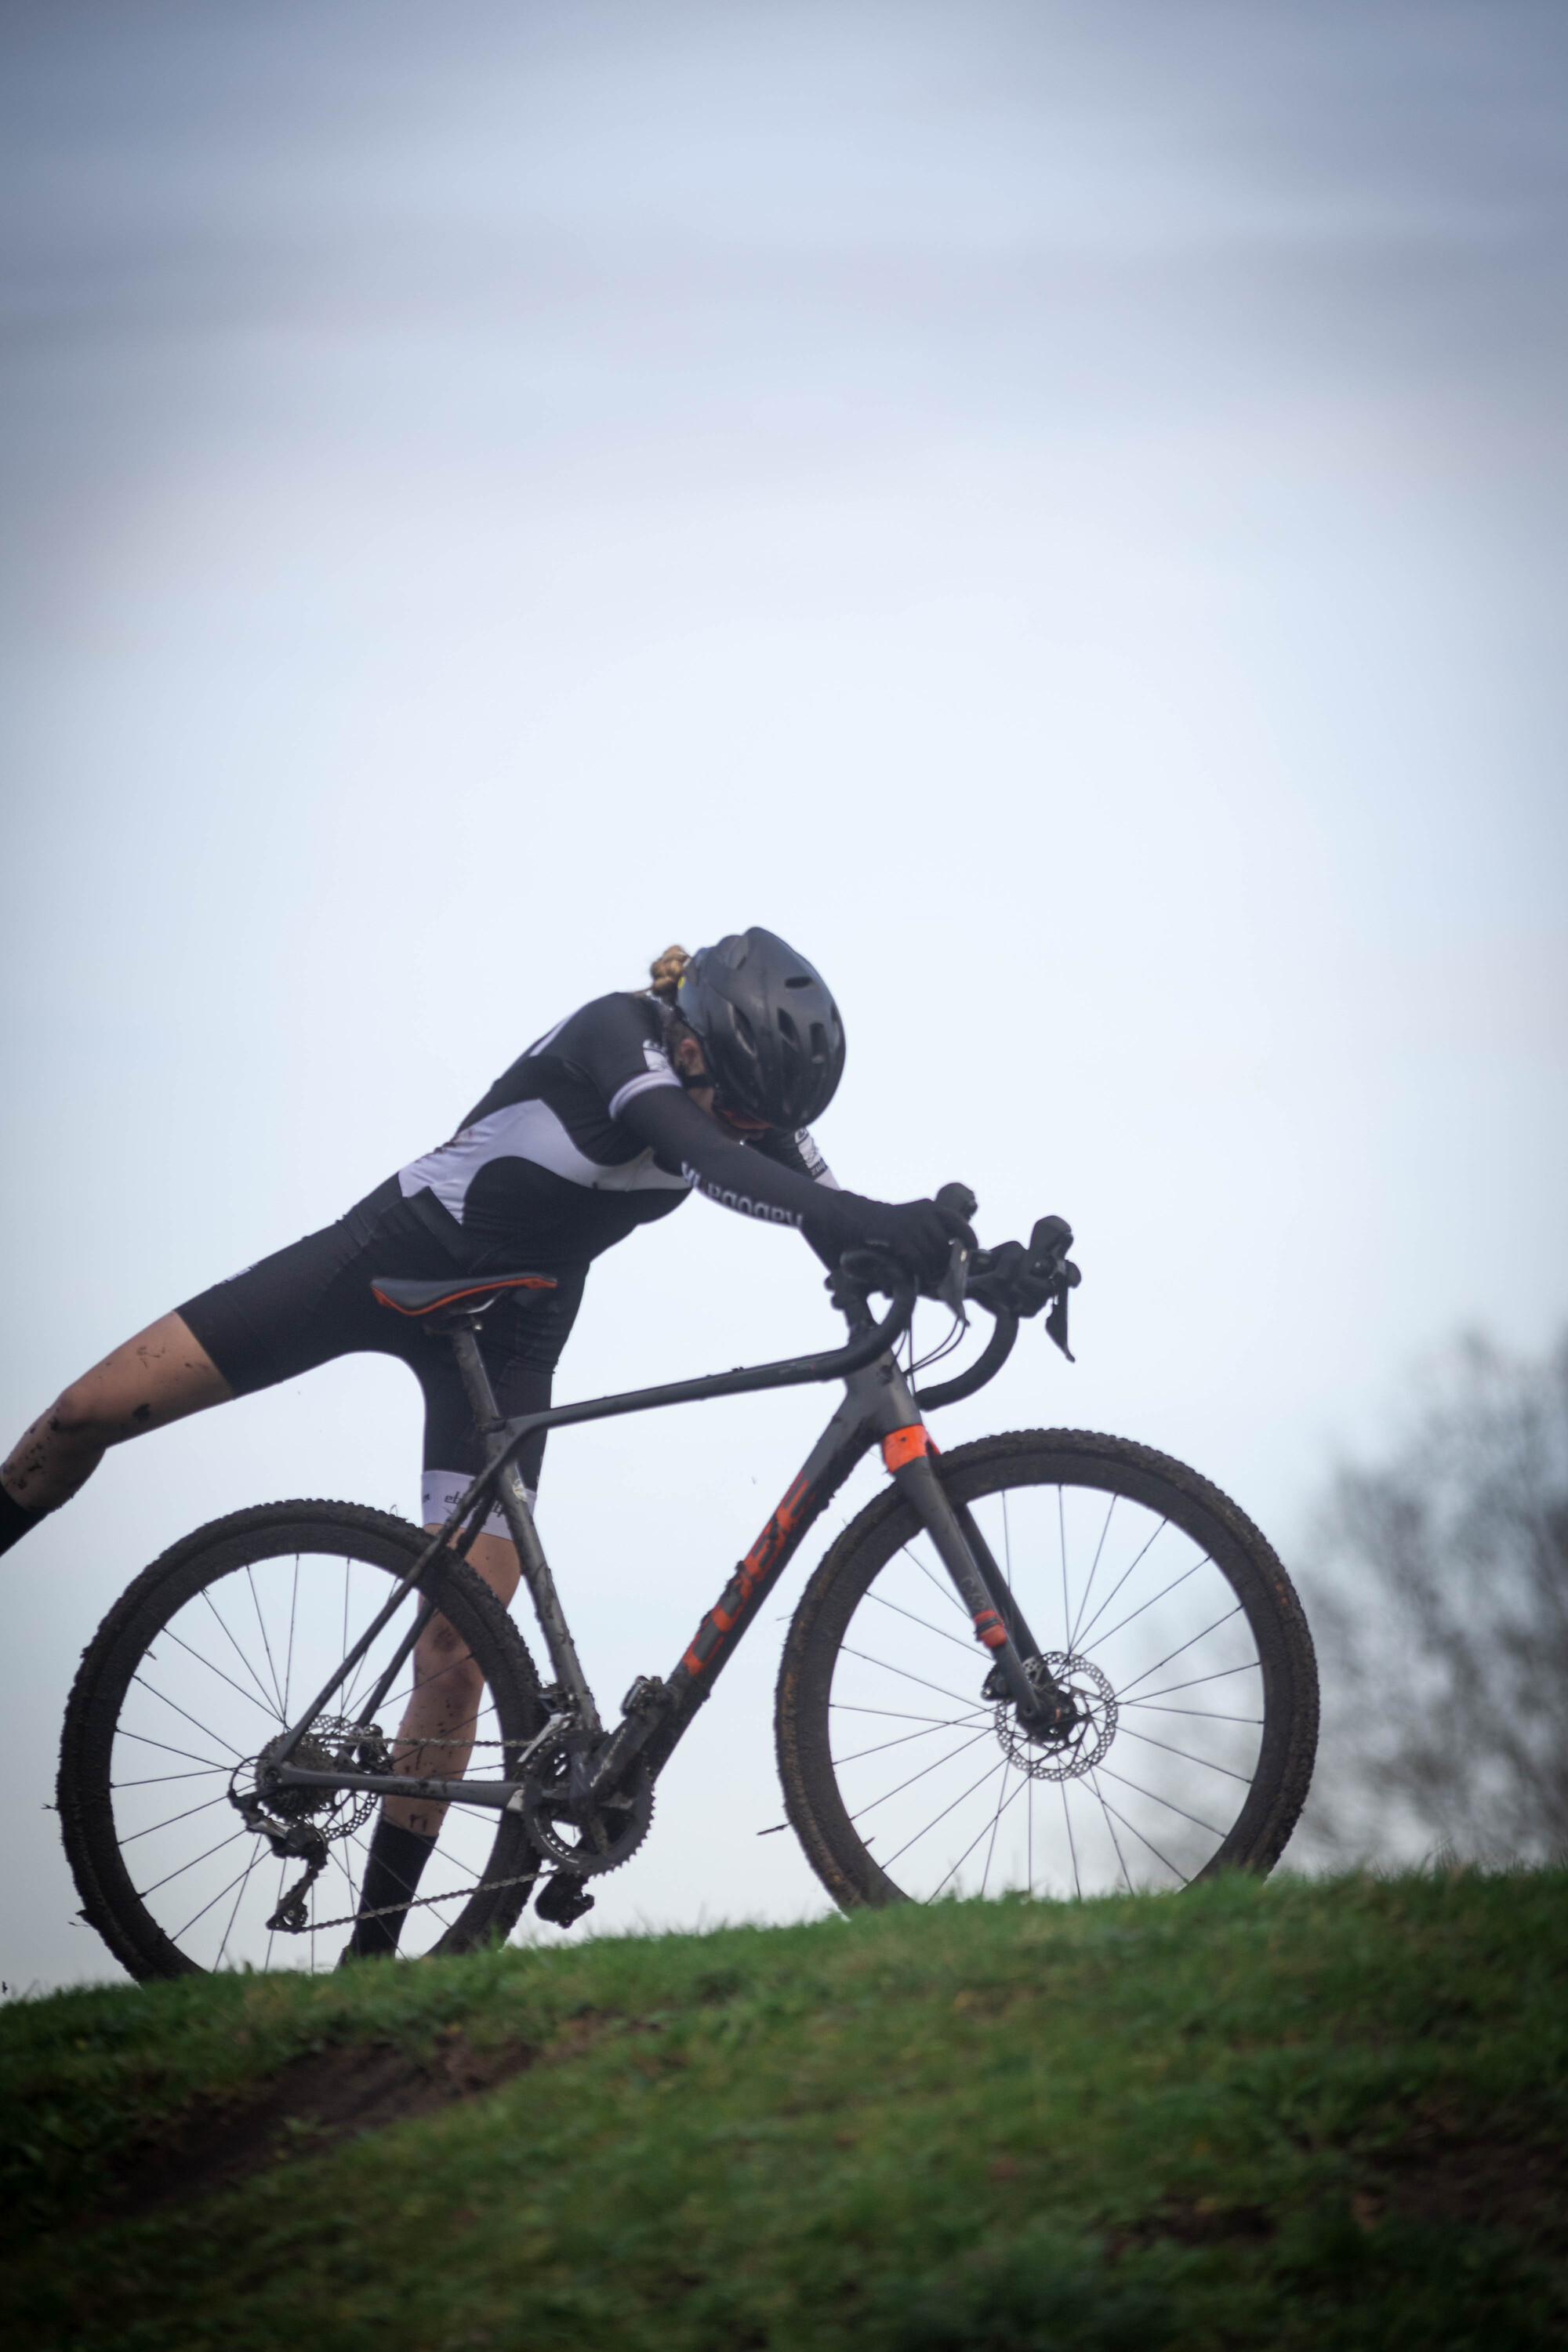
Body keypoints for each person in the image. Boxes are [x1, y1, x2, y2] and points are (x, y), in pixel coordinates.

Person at [0, 929, 971, 1953]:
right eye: (732, 1097)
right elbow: (706, 1155)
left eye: (762, 1115)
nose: (743, 1121)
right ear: (695, 1036)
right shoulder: (620, 1034)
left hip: (511, 1334)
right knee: (84, 1415)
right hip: (384, 1264)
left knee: (458, 1651)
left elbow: (821, 1211)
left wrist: (964, 1262)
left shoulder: (742, 1098)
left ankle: (378, 1968)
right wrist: (866, 1213)